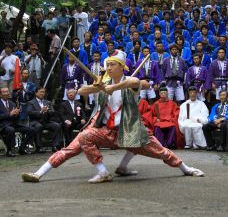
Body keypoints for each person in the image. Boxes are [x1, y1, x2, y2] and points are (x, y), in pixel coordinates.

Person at [22, 50, 204, 184]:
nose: (108, 67)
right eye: (107, 64)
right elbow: (81, 90)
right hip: (105, 131)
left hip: (129, 132)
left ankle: (186, 169)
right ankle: (40, 173)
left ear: (121, 67)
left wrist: (114, 88)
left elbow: (138, 82)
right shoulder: (103, 82)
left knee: (160, 151)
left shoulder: (129, 82)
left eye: (112, 64)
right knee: (78, 142)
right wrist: (97, 86)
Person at [0, 87, 36, 156]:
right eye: (4, 92)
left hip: (13, 124)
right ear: (0, 94)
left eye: (7, 91)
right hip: (3, 125)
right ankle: (9, 150)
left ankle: (22, 148)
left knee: (31, 130)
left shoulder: (12, 103)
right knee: (10, 130)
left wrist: (17, 114)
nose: (6, 93)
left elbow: (16, 118)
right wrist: (9, 114)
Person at [27, 87, 62, 153]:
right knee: (38, 126)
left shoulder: (48, 102)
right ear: (36, 93)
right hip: (35, 122)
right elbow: (30, 112)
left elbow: (53, 112)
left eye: (43, 92)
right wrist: (41, 111)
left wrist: (48, 111)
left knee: (57, 125)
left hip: (46, 121)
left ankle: (55, 145)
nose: (42, 93)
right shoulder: (31, 102)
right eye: (40, 92)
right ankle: (39, 147)